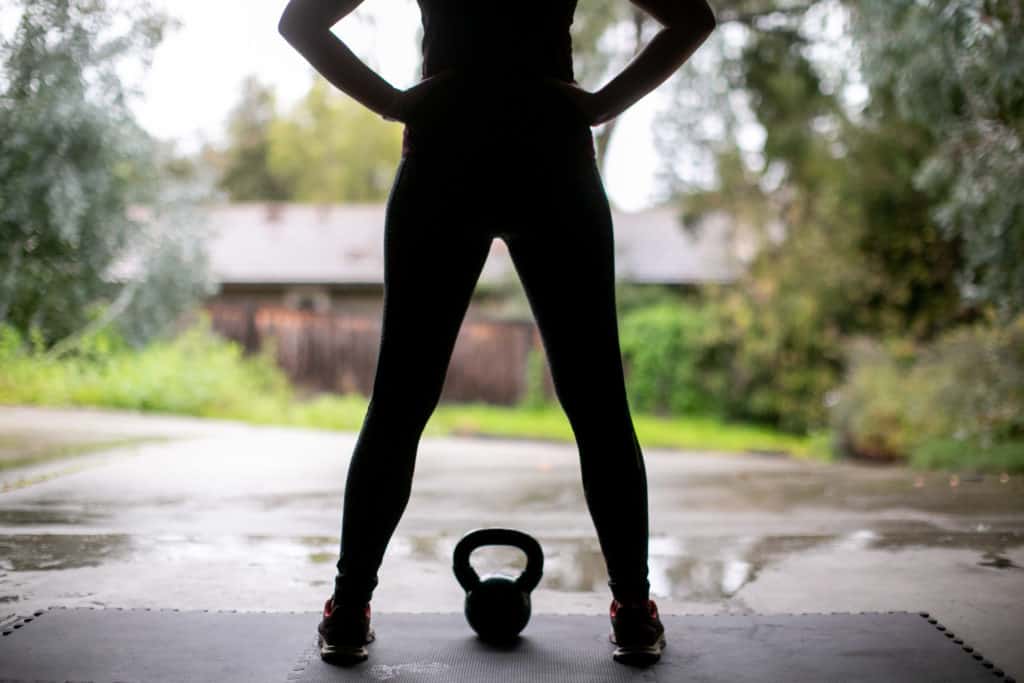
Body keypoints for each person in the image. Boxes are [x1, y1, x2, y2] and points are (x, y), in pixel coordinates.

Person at [278, 0, 716, 667]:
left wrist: (398, 105)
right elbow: (692, 18)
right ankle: (632, 608)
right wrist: (596, 106)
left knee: (398, 403)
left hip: (448, 157)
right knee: (598, 406)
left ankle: (347, 608)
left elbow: (299, 22)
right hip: (550, 158)